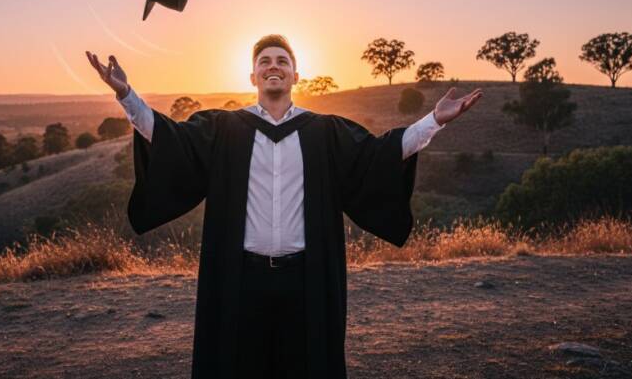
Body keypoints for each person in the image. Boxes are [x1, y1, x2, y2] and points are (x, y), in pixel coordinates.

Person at [86, 35, 482, 379]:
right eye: (264, 62)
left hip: (305, 279)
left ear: (296, 76)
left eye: (282, 62)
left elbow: (382, 154)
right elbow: (167, 137)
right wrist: (126, 94)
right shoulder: (224, 129)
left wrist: (434, 120)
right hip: (240, 278)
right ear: (253, 77)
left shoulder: (324, 131)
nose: (273, 67)